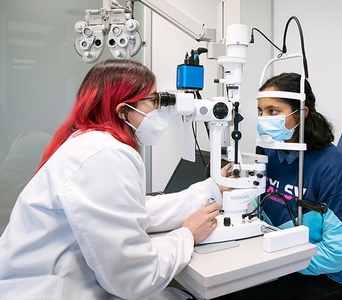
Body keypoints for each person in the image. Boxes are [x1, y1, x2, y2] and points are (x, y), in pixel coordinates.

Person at [0, 59, 231, 300]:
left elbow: (133, 210)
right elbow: (135, 278)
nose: (159, 109)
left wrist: (210, 189)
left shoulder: (89, 143)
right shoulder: (104, 154)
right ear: (123, 111)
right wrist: (187, 235)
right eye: (153, 101)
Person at [219, 73, 342, 299]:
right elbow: (262, 212)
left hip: (334, 276)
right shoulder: (269, 152)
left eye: (273, 111)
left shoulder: (335, 170)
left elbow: (339, 254)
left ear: (301, 114)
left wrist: (272, 262)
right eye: (260, 112)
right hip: (283, 258)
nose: (264, 119)